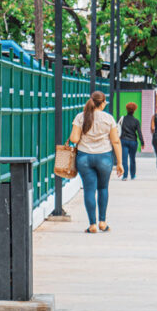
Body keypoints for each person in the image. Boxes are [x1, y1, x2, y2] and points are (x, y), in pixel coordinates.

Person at [69, 91, 123, 233]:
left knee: (89, 190)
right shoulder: (109, 118)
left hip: (84, 157)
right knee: (103, 188)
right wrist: (120, 163)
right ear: (103, 102)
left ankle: (92, 224)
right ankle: (103, 223)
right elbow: (115, 141)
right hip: (104, 157)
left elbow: (74, 139)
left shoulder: (81, 117)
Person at [119, 102, 145, 181]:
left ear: (127, 109)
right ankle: (133, 175)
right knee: (132, 159)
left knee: (124, 159)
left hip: (124, 141)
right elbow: (139, 132)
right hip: (133, 141)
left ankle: (125, 176)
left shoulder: (122, 119)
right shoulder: (136, 121)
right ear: (134, 110)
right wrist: (142, 142)